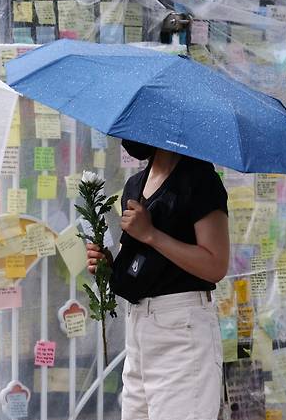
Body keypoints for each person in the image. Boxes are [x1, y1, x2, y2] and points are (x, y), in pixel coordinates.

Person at [86, 139, 229, 420]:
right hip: (139, 325)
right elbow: (140, 261)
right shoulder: (135, 184)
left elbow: (216, 264)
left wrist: (151, 234)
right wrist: (108, 265)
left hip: (181, 332)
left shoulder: (199, 178)